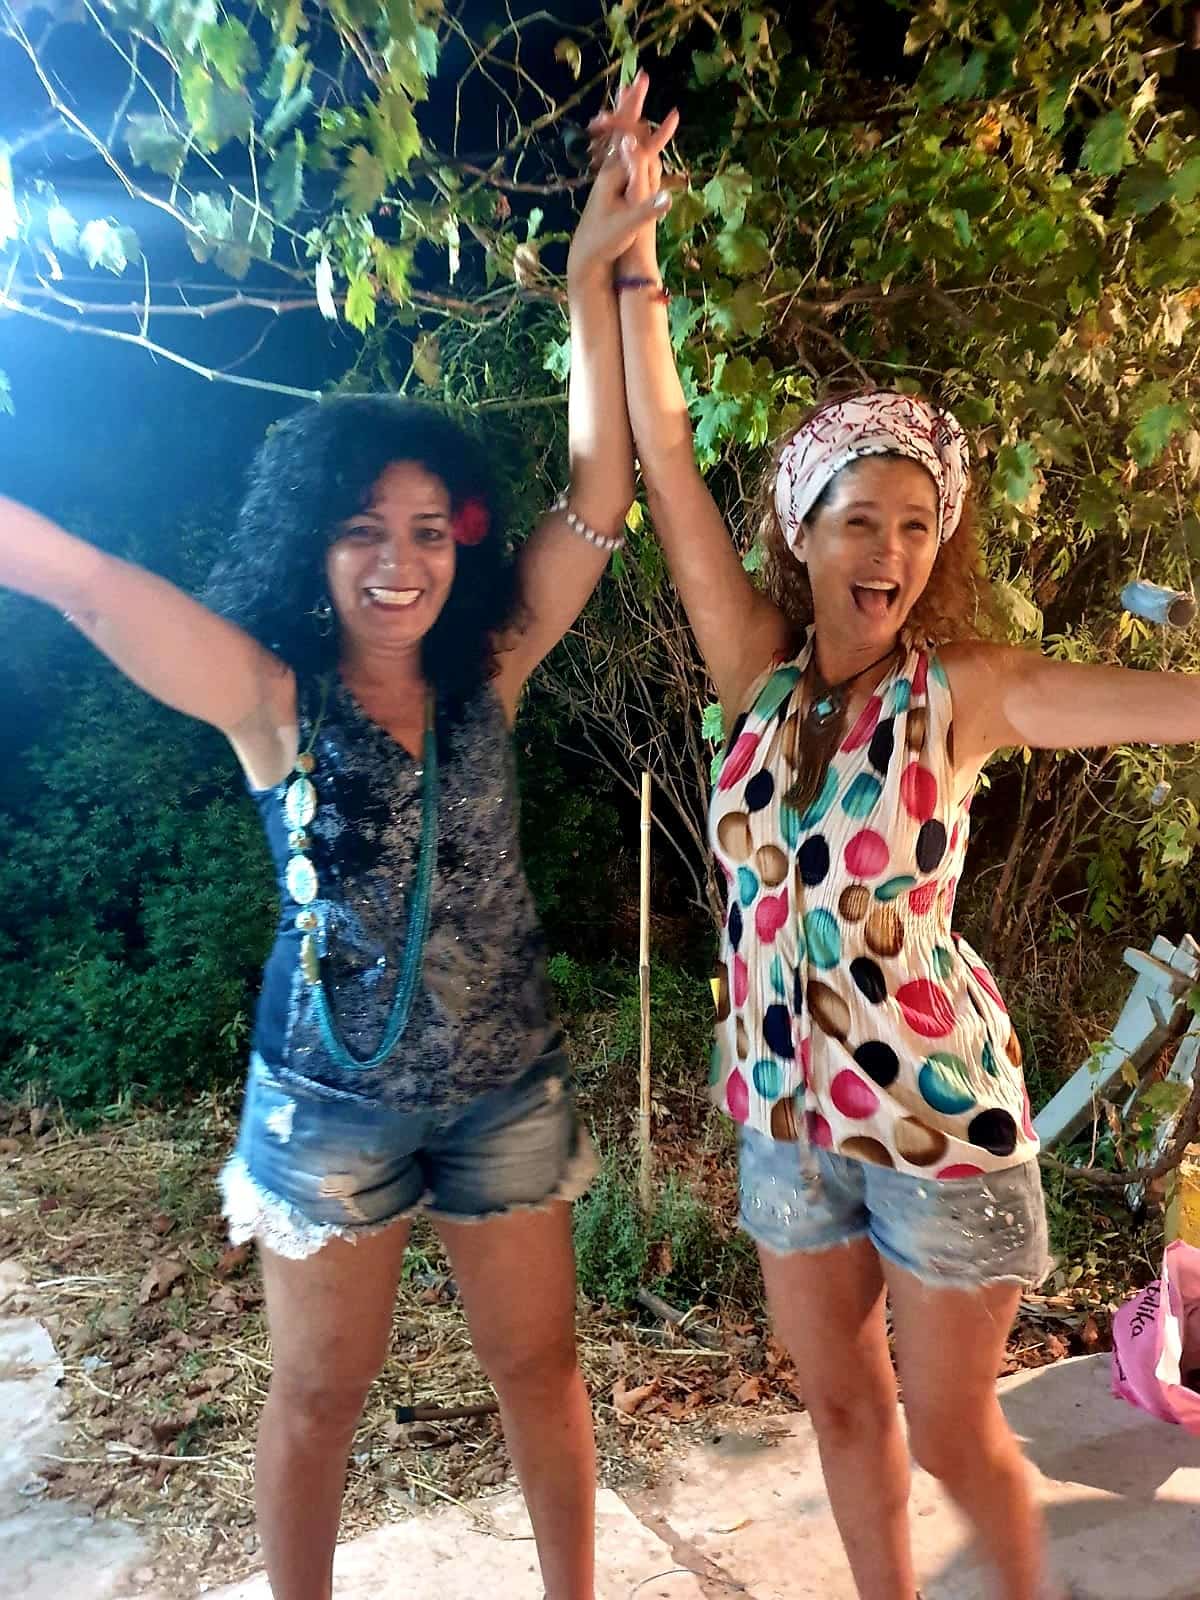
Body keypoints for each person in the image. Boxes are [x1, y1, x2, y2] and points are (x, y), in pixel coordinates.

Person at [0, 143, 671, 1600]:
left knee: (540, 1370)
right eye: (362, 531)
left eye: (427, 531)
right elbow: (90, 587)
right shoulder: (269, 698)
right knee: (315, 1402)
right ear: (312, 542)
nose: (397, 562)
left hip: (504, 1091)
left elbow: (598, 497)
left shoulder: (492, 668)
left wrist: (591, 281)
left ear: (460, 543)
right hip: (326, 1111)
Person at [586, 75, 1200, 1600]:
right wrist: (632, 251)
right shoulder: (756, 675)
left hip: (939, 1124)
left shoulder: (960, 695)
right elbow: (666, 455)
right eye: (862, 519)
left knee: (953, 1440)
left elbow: (1149, 703)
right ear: (802, 531)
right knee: (846, 1411)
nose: (894, 552)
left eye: (919, 526)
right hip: (785, 1122)